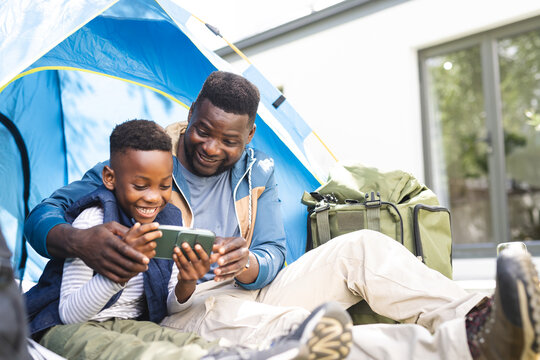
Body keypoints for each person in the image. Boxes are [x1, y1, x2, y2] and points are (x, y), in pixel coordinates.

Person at [24, 71, 540, 359]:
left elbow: (274, 253)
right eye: (202, 130)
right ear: (191, 115)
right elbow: (42, 214)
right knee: (295, 326)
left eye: (228, 139)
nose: (209, 146)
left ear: (248, 137)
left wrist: (247, 264)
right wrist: (77, 241)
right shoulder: (146, 162)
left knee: (365, 248)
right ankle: (459, 349)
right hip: (186, 303)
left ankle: (486, 314)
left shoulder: (256, 172)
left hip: (239, 284)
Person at [24, 119, 354, 360]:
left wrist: (186, 282)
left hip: (127, 321)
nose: (154, 197)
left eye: (164, 185)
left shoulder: (167, 220)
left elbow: (165, 301)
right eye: (141, 186)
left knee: (173, 341)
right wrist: (115, 276)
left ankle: (243, 356)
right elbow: (69, 313)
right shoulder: (94, 221)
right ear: (110, 178)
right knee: (139, 354)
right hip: (63, 327)